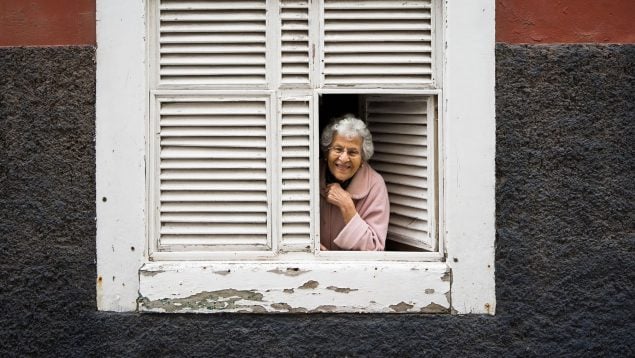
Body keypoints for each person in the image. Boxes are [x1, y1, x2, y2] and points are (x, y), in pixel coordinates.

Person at [320, 114, 390, 251]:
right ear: (327, 152)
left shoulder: (375, 185)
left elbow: (374, 249)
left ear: (363, 159)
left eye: (352, 152)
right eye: (338, 149)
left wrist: (347, 206)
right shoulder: (308, 175)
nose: (344, 158)